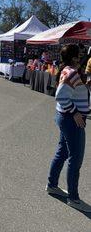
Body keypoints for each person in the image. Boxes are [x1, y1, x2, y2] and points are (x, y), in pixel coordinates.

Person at [46, 44, 91, 212]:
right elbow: (60, 96)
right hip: (71, 120)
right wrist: (75, 113)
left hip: (66, 118)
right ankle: (73, 197)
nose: (83, 56)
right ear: (74, 58)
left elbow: (68, 93)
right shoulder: (71, 72)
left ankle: (52, 185)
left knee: (63, 153)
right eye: (80, 54)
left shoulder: (68, 70)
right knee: (75, 158)